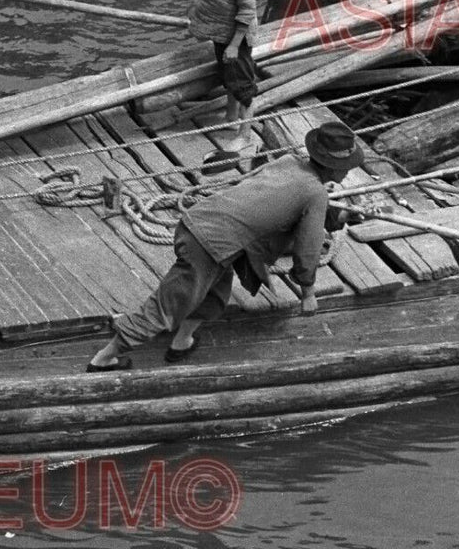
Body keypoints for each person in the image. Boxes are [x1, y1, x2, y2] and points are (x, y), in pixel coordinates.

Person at [86, 122, 364, 372]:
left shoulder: (288, 162)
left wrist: (341, 217)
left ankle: (182, 342)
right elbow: (308, 247)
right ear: (333, 166)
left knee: (215, 294)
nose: (349, 170)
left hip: (198, 223)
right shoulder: (315, 192)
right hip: (211, 244)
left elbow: (281, 202)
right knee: (167, 305)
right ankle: (104, 358)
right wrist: (308, 292)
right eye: (347, 166)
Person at [187, 0, 262, 154]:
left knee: (243, 86)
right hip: (221, 30)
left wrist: (233, 44)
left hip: (236, 36)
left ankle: (245, 134)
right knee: (228, 75)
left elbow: (247, 11)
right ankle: (231, 117)